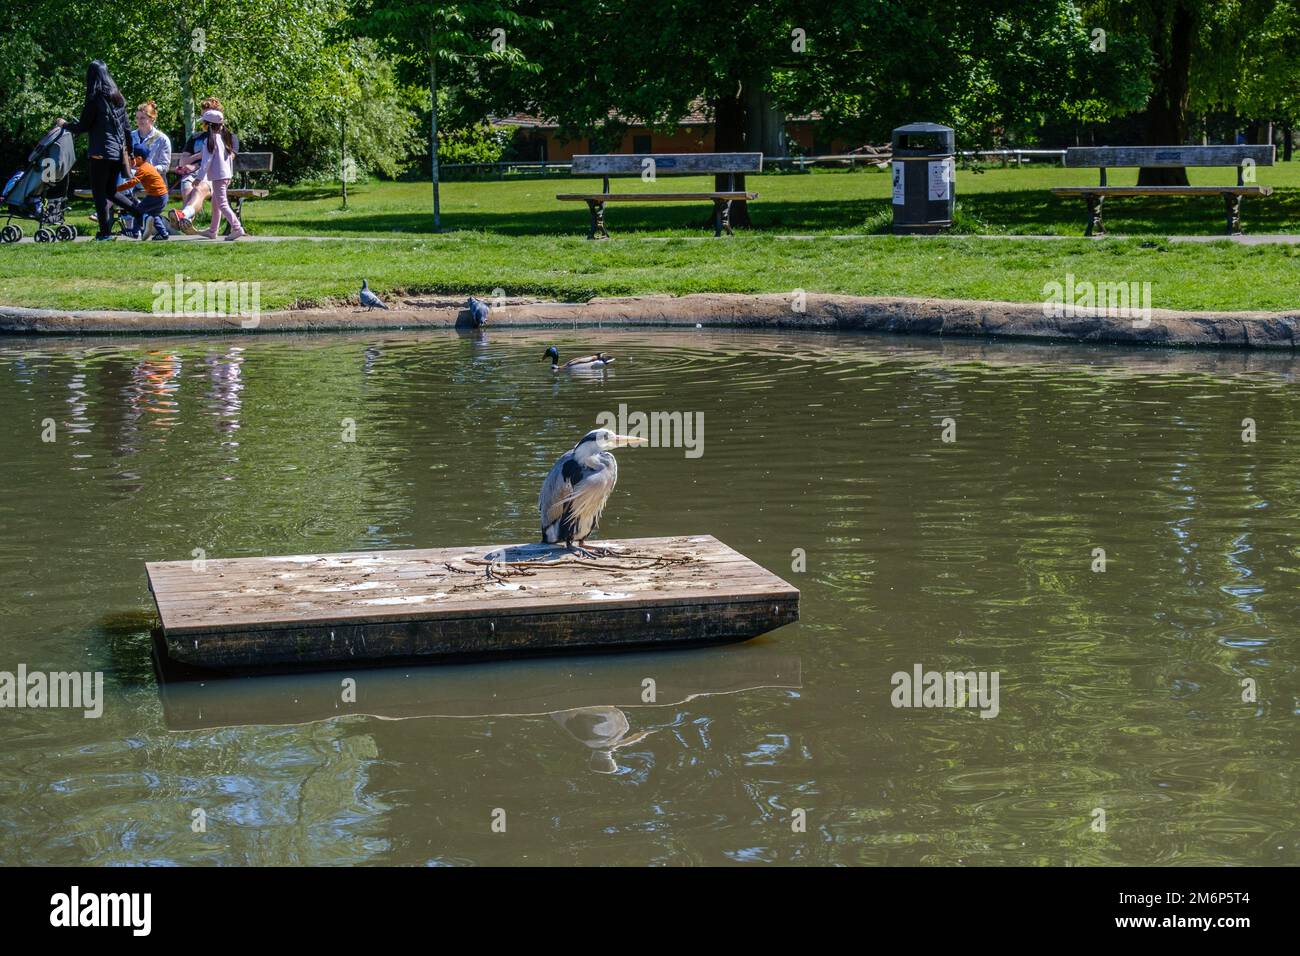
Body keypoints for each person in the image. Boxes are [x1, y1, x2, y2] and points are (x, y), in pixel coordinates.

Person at [55, 61, 132, 241]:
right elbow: (127, 128)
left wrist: (64, 124)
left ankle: (105, 233)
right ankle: (141, 214)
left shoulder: (94, 99)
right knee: (111, 191)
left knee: (99, 194)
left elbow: (83, 126)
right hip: (117, 151)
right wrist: (131, 151)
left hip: (100, 151)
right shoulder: (118, 98)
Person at [170, 97, 239, 235]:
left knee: (201, 190)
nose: (203, 120)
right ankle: (206, 229)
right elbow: (184, 161)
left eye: (206, 116)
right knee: (188, 190)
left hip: (213, 175)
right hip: (200, 174)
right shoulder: (197, 137)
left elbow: (225, 159)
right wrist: (200, 156)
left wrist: (198, 164)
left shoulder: (227, 137)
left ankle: (183, 216)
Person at [190, 109, 244, 240]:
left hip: (219, 177)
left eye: (203, 123)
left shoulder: (210, 140)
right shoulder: (222, 138)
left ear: (208, 126)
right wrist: (229, 175)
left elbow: (206, 161)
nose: (202, 126)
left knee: (222, 204)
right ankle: (213, 231)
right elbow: (229, 159)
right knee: (216, 203)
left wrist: (199, 178)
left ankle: (237, 228)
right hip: (223, 176)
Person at [119, 101, 171, 233]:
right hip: (132, 177)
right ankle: (132, 213)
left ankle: (133, 216)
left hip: (152, 181)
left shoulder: (161, 139)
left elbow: (165, 166)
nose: (139, 121)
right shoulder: (131, 136)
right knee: (121, 175)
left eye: (143, 118)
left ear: (152, 118)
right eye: (137, 118)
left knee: (121, 184)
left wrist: (147, 170)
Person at [114, 145, 170, 240]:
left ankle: (135, 232)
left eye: (131, 158)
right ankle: (163, 233)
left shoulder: (142, 169)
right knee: (153, 215)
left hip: (155, 196)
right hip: (163, 196)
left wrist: (116, 189)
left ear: (139, 158)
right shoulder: (148, 166)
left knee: (138, 210)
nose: (129, 160)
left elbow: (132, 183)